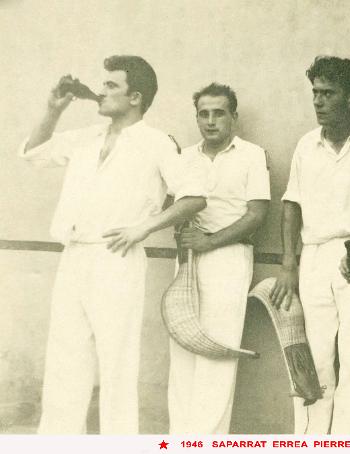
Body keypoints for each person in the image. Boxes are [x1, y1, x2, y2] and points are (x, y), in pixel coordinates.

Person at [18, 55, 207, 434]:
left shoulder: (156, 143)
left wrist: (143, 228)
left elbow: (194, 196)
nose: (100, 91)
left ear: (135, 97)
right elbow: (33, 153)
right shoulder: (87, 137)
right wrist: (53, 109)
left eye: (110, 85)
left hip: (117, 259)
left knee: (117, 363)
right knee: (65, 360)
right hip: (75, 254)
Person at [271, 56, 350, 434]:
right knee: (314, 357)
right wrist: (289, 264)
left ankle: (347, 439)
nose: (318, 101)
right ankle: (311, 439)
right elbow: (292, 205)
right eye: (315, 93)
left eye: (328, 93)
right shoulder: (306, 145)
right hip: (315, 256)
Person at [169, 83, 270, 434]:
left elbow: (256, 214)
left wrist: (209, 241)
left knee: (217, 352)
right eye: (204, 114)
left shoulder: (253, 155)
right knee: (183, 349)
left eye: (219, 113)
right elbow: (174, 206)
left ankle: (208, 441)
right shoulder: (183, 157)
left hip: (228, 258)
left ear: (233, 117)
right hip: (187, 259)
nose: (210, 121)